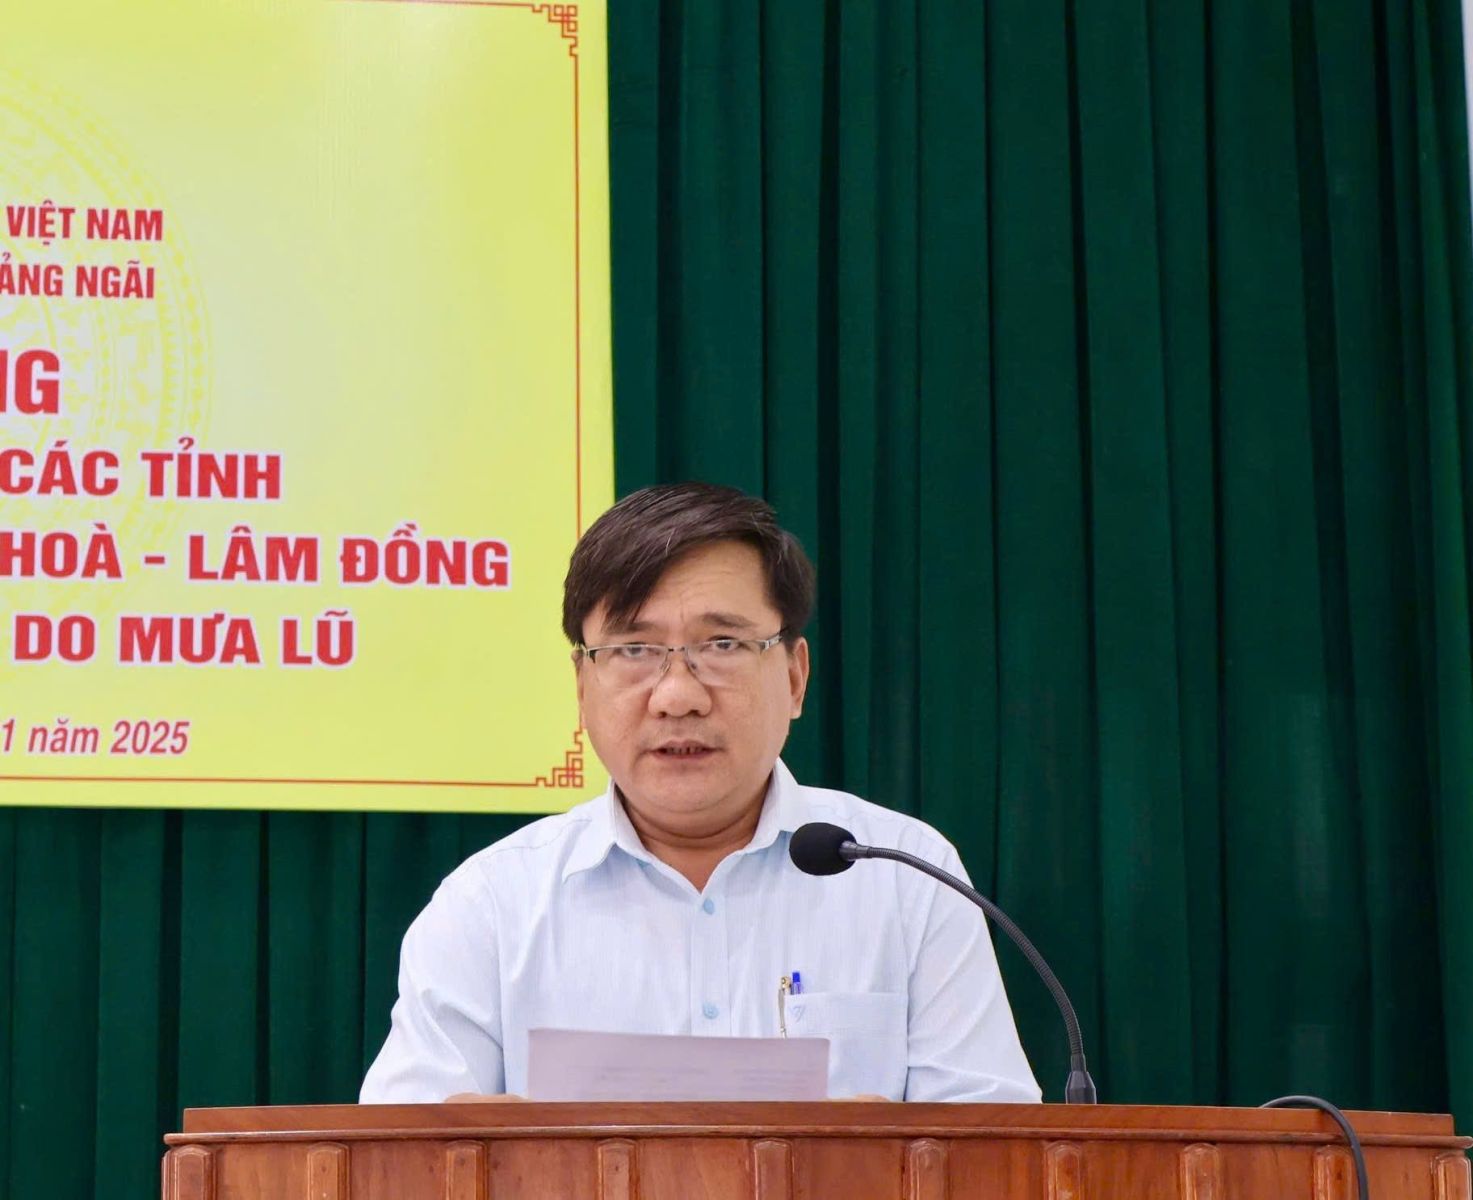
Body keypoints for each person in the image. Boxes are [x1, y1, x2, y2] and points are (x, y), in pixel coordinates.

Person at [360, 482, 1040, 1103]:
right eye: (633, 650)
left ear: (795, 677)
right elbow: (398, 1152)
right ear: (581, 686)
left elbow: (992, 1142)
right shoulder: (492, 903)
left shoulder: (905, 875)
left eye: (721, 644)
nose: (678, 695)